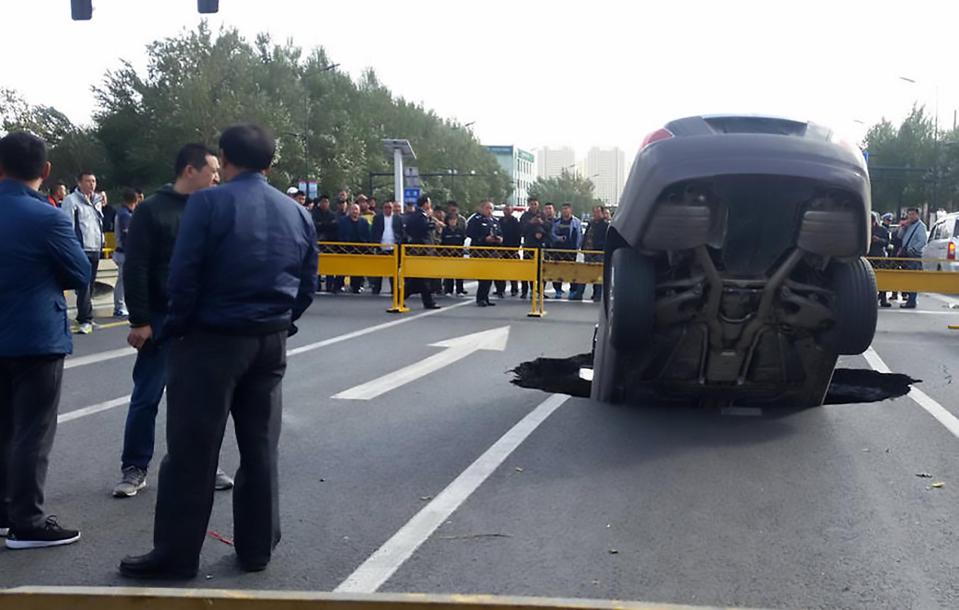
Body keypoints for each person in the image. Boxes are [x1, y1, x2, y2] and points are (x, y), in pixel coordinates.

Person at [119, 123, 317, 580]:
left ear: (224, 158)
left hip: (210, 339)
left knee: (192, 452)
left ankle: (176, 555)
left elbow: (184, 277)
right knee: (261, 447)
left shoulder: (208, 202)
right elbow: (307, 283)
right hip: (269, 340)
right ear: (270, 163)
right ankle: (257, 548)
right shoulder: (295, 212)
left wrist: (178, 328)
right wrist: (283, 322)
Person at [112, 143, 235, 499]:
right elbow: (136, 267)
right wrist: (140, 320)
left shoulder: (213, 207)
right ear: (189, 170)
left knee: (201, 399)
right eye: (212, 170)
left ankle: (202, 464)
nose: (216, 177)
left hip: (202, 319)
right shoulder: (153, 209)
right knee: (147, 396)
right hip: (161, 318)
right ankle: (134, 467)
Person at [0, 132, 91, 549]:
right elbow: (80, 274)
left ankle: (4, 512)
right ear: (46, 171)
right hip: (36, 337)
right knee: (32, 432)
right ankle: (27, 522)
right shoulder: (49, 218)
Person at [60, 171, 105, 334]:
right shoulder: (71, 201)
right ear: (79, 183)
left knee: (90, 284)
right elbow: (68, 226)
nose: (91, 184)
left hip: (95, 247)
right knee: (84, 284)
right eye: (87, 181)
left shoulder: (97, 200)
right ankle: (85, 319)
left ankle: (86, 316)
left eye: (93, 181)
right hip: (81, 248)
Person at [403, 195, 441, 310]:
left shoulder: (421, 215)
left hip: (424, 250)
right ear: (425, 204)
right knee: (421, 278)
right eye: (429, 202)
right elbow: (422, 228)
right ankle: (401, 296)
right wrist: (434, 224)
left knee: (423, 278)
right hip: (421, 250)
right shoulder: (419, 216)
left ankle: (427, 301)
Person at [467, 200, 504, 307]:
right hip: (480, 251)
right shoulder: (476, 220)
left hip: (492, 251)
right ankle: (480, 298)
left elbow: (500, 232)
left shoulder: (494, 221)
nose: (489, 210)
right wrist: (484, 239)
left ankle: (485, 297)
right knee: (483, 276)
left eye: (491, 208)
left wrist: (499, 239)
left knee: (489, 276)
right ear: (482, 208)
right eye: (487, 208)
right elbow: (470, 233)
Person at [112, 189, 139, 317]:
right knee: (122, 281)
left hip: (122, 252)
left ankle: (122, 305)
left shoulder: (124, 213)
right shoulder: (125, 215)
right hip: (124, 252)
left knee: (125, 280)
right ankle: (119, 306)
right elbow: (128, 236)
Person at [370, 200, 405, 295]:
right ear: (383, 208)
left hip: (394, 247)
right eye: (386, 207)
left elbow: (402, 233)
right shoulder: (377, 218)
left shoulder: (398, 218)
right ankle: (376, 289)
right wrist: (374, 244)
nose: (388, 209)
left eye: (390, 207)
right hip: (381, 247)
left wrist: (400, 242)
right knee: (378, 270)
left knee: (394, 270)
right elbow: (374, 231)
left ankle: (395, 290)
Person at [896, 207, 928, 309]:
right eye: (909, 214)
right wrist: (903, 227)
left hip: (914, 255)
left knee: (913, 278)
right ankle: (910, 299)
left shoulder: (921, 226)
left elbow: (922, 241)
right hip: (906, 255)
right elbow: (899, 237)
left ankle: (911, 301)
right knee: (908, 278)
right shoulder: (909, 226)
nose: (911, 216)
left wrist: (913, 249)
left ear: (918, 215)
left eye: (913, 214)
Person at [550, 203, 582, 298]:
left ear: (570, 210)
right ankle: (558, 290)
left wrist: (577, 247)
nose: (565, 211)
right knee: (557, 270)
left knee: (572, 271)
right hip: (558, 250)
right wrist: (558, 238)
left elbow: (580, 235)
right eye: (563, 209)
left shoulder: (576, 222)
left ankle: (573, 291)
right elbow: (552, 234)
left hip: (571, 250)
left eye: (567, 209)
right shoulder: (557, 222)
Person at [338, 203, 371, 293]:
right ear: (349, 210)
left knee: (357, 269)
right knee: (342, 268)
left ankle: (356, 286)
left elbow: (367, 235)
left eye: (356, 209)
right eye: (353, 209)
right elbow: (340, 234)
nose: (354, 211)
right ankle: (339, 285)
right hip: (346, 248)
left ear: (359, 211)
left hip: (360, 248)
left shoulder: (364, 222)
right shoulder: (343, 221)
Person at [577, 205, 609, 301]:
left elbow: (605, 239)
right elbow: (586, 236)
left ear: (603, 213)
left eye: (598, 212)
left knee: (597, 275)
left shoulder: (605, 225)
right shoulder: (590, 224)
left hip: (598, 253)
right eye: (594, 212)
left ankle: (598, 295)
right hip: (588, 252)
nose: (595, 214)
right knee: (585, 274)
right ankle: (579, 294)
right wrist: (583, 248)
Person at [311, 195, 338, 293]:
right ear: (319, 203)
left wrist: (322, 224)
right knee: (316, 265)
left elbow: (334, 226)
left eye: (326, 202)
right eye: (323, 202)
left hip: (330, 242)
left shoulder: (332, 214)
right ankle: (316, 285)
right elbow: (314, 226)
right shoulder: (314, 213)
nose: (324, 204)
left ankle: (329, 286)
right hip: (317, 241)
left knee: (330, 265)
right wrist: (327, 225)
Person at [521, 214, 549, 299]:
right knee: (529, 272)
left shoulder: (544, 218)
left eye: (535, 204)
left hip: (542, 249)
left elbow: (549, 229)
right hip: (529, 249)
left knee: (542, 272)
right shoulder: (525, 216)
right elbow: (522, 231)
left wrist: (542, 223)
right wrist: (530, 223)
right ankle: (530, 290)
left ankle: (541, 291)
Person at [441, 207, 468, 295]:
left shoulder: (460, 231)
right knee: (448, 273)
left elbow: (463, 241)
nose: (452, 222)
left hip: (458, 253)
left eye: (454, 220)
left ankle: (460, 290)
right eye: (451, 220)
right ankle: (448, 290)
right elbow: (442, 242)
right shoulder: (445, 231)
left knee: (459, 273)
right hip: (447, 253)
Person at [500, 204, 523, 297]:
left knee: (513, 271)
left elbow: (518, 236)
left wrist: (516, 249)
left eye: (508, 210)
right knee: (501, 271)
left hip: (512, 249)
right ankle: (500, 289)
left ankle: (514, 289)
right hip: (501, 249)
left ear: (512, 211)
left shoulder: (515, 222)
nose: (507, 212)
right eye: (505, 210)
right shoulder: (500, 221)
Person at [869, 212, 891, 308]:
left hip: (879, 257)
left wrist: (878, 240)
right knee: (868, 279)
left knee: (882, 278)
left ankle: (883, 299)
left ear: (874, 222)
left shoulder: (882, 230)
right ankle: (869, 299)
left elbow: (887, 243)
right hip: (867, 257)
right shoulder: (863, 229)